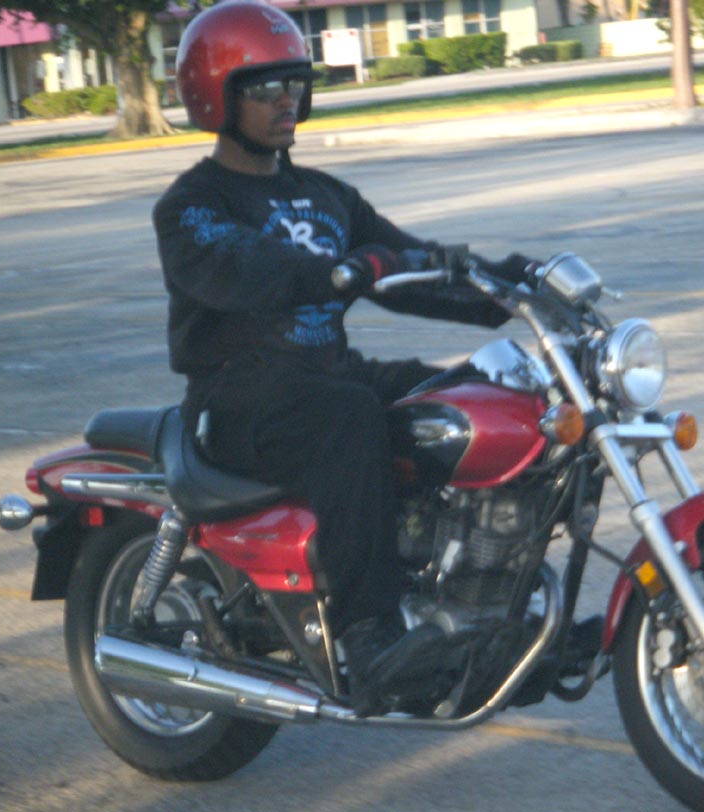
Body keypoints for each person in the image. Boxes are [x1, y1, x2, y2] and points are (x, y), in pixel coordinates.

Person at [152, 0, 531, 715]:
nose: (286, 101)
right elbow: (241, 266)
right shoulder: (192, 205)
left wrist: (509, 285)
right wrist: (332, 271)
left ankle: (484, 603)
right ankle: (371, 638)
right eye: (266, 87)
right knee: (351, 415)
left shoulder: (326, 195)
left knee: (473, 395)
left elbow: (409, 263)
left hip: (324, 374)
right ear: (217, 97)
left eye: (294, 84)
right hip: (239, 399)